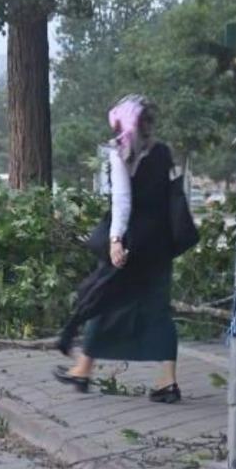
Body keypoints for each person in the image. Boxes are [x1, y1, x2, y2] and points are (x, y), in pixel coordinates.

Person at [53, 95, 181, 404]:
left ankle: (83, 370)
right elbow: (174, 196)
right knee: (157, 309)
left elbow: (122, 200)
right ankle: (167, 381)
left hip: (131, 243)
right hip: (159, 244)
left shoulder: (121, 153)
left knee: (104, 299)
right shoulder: (164, 152)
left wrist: (115, 240)